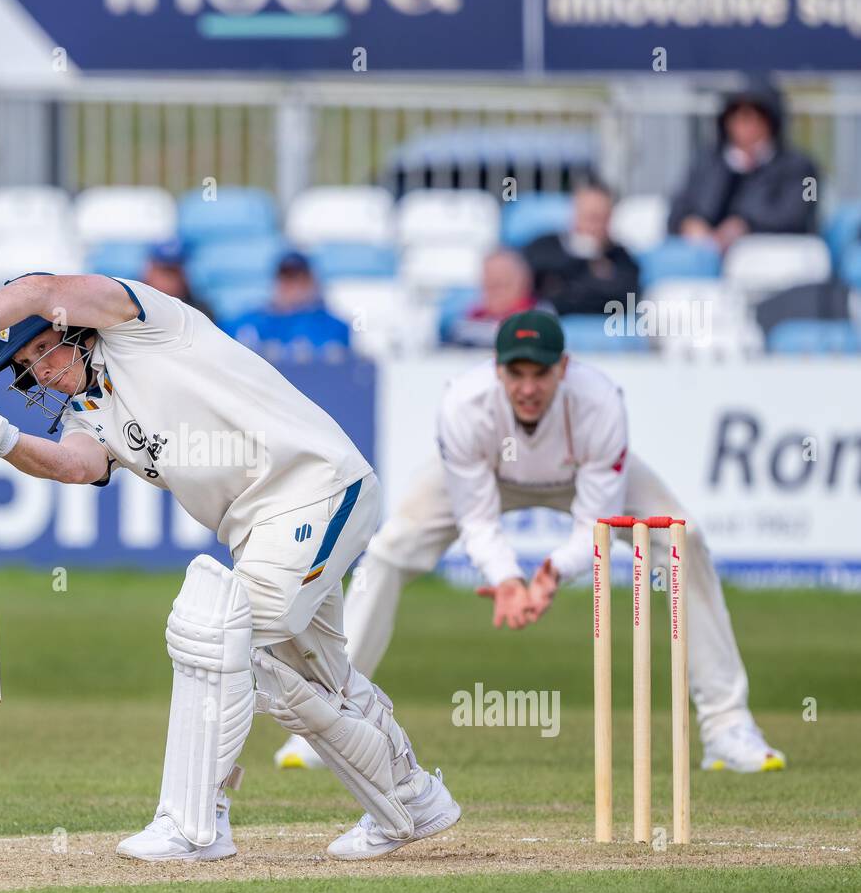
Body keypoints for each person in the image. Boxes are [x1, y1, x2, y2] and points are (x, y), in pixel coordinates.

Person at [0, 272, 459, 861]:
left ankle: (195, 823)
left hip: (316, 487)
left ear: (76, 329)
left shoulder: (147, 325)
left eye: (44, 348)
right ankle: (411, 801)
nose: (40, 368)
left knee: (219, 633)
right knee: (312, 676)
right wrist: (0, 439)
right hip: (258, 530)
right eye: (27, 363)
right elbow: (72, 466)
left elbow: (38, 287)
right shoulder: (91, 413)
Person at [274, 310, 786, 776]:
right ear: (497, 370)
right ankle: (332, 723)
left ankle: (726, 726)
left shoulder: (600, 402)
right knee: (387, 551)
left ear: (563, 368)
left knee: (685, 541)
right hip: (492, 471)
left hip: (575, 474)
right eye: (516, 373)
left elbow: (596, 523)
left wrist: (553, 573)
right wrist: (508, 579)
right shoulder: (464, 406)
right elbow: (477, 520)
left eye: (540, 373)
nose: (528, 387)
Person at [669, 80, 818, 252]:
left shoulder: (802, 168)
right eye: (737, 118)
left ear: (771, 122)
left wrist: (745, 226)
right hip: (701, 255)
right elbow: (676, 209)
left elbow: (799, 217)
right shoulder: (707, 162)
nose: (745, 127)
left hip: (768, 257)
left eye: (754, 118)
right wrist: (689, 223)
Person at [523, 179, 639, 317]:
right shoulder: (544, 247)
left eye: (601, 218)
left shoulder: (621, 258)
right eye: (590, 217)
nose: (595, 226)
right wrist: (590, 269)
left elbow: (624, 299)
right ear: (574, 213)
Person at [221, 251, 349, 359]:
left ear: (311, 282)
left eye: (298, 279)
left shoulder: (330, 325)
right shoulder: (252, 320)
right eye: (285, 278)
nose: (291, 286)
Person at [444, 249, 539, 347]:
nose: (495, 293)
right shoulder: (467, 323)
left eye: (501, 284)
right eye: (488, 284)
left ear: (523, 283)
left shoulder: (539, 321)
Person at [141, 239, 213, 320]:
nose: (171, 281)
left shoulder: (200, 313)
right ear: (149, 271)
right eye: (166, 271)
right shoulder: (129, 305)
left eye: (176, 272)